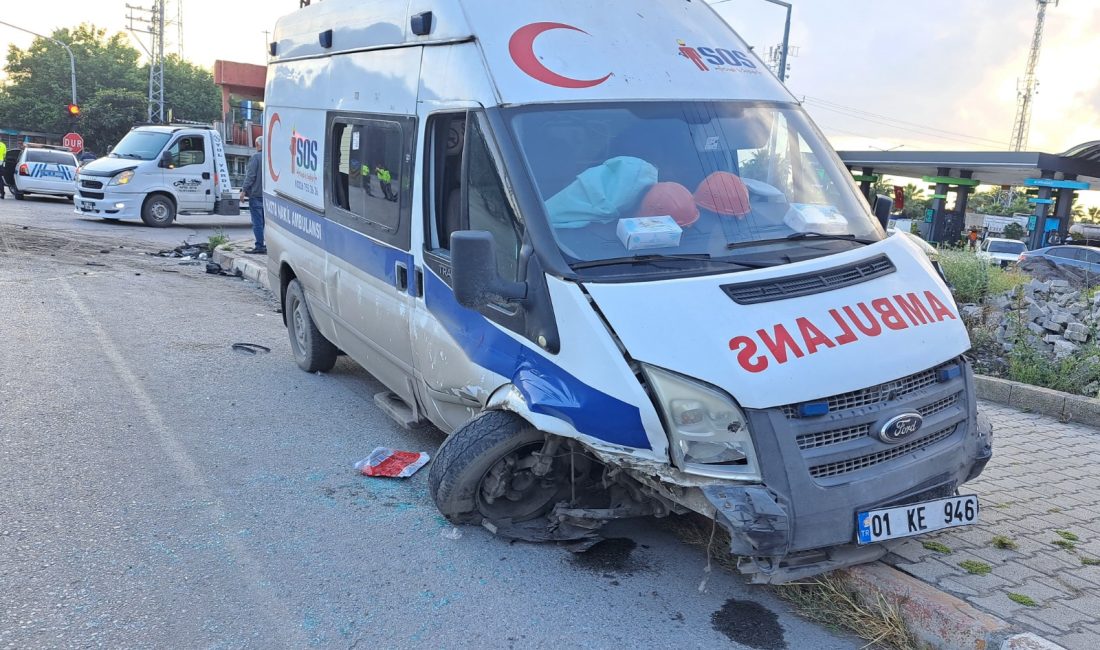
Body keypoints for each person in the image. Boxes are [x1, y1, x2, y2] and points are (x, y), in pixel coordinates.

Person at [241, 136, 266, 254]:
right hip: (268, 196)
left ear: (257, 145)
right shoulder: (270, 158)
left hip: (256, 195)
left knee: (257, 223)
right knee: (265, 223)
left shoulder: (256, 158)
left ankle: (259, 246)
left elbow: (250, 176)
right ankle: (265, 244)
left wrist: (243, 190)